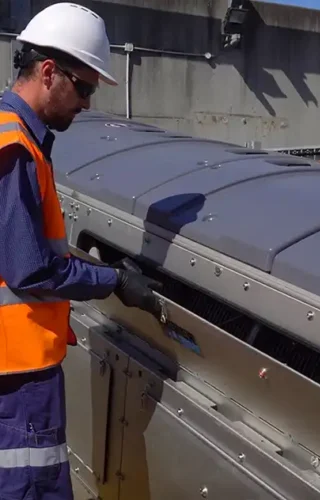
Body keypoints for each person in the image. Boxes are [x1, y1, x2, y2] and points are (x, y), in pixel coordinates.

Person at [0, 3, 163, 499]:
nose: (88, 102)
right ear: (49, 73)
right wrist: (114, 280)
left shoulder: (15, 136)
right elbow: (31, 269)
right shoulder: (15, 150)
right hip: (17, 375)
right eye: (85, 87)